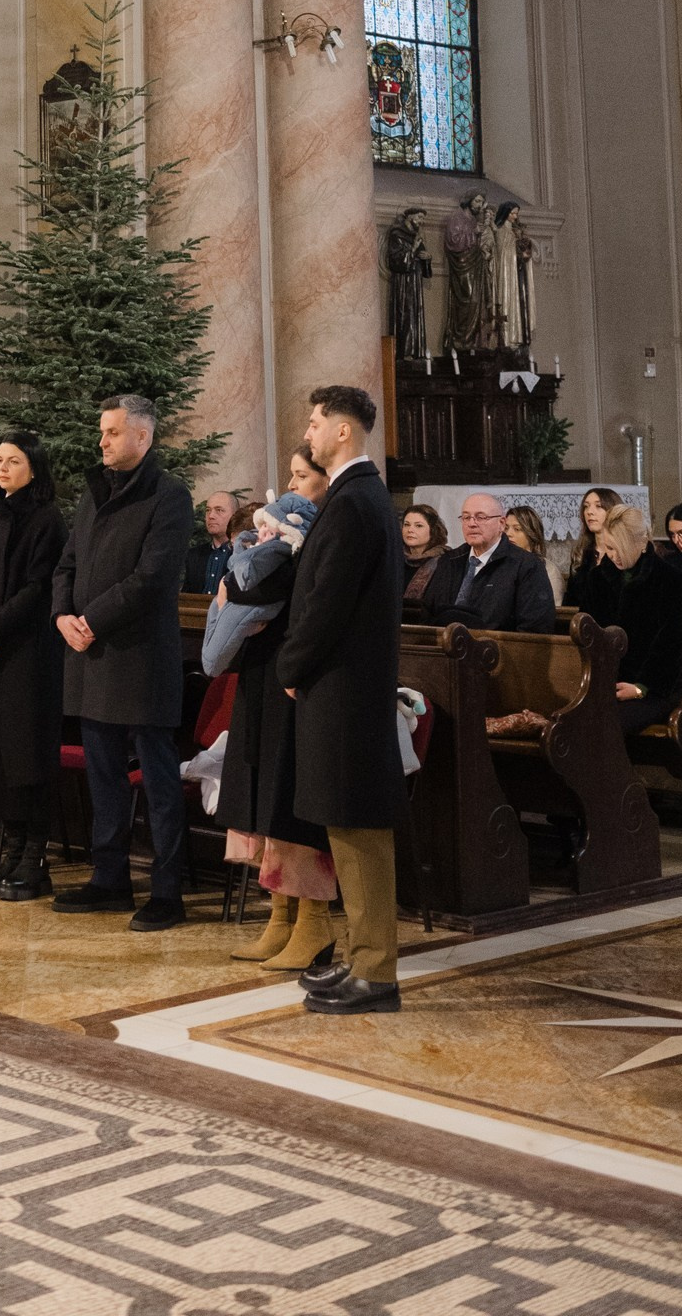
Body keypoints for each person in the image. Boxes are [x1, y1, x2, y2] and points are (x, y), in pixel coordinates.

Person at [276, 385, 407, 1014]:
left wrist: (292, 664)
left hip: (345, 688)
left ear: (343, 432)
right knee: (346, 824)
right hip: (342, 686)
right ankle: (360, 957)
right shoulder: (357, 496)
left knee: (359, 830)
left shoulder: (355, 502)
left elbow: (326, 601)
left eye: (315, 422)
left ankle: (376, 971)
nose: (309, 430)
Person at [51, 393, 194, 932]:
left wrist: (91, 620)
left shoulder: (170, 495)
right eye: (102, 431)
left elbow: (153, 576)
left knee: (157, 782)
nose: (103, 441)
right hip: (91, 656)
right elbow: (66, 563)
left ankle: (167, 890)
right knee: (104, 776)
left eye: (112, 432)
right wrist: (63, 614)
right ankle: (108, 879)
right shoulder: (94, 493)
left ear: (142, 436)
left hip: (139, 658)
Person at [216, 449, 337, 973]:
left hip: (295, 679)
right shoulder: (279, 535)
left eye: (302, 476)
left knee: (290, 797)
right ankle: (279, 917)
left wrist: (240, 584)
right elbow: (240, 586)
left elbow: (260, 588)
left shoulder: (320, 538)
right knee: (263, 791)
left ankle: (314, 924)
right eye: (289, 473)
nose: (290, 484)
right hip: (262, 673)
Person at [0, 431, 67, 901]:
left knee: (26, 755)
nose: (3, 469)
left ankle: (34, 856)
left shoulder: (47, 520)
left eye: (14, 461)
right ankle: (10, 847)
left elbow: (37, 587)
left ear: (34, 467)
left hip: (26, 655)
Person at [202, 494, 319, 678]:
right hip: (255, 657)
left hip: (272, 654)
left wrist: (225, 586)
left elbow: (249, 587)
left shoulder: (282, 560)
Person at [598, 504, 682, 734]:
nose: (613, 555)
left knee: (606, 725)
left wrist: (641, 687)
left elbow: (672, 643)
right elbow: (589, 631)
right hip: (606, 683)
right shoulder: (598, 577)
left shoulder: (670, 580)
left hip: (656, 687)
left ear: (641, 543)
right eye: (609, 547)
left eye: (620, 548)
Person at [418, 493, 557, 632]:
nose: (472, 524)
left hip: (498, 650)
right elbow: (427, 614)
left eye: (480, 517)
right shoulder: (449, 561)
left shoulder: (526, 565)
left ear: (501, 524)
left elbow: (534, 627)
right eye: (466, 517)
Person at [565, 486, 623, 618]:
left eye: (598, 506)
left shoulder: (625, 553)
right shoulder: (581, 553)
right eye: (586, 506)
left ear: (613, 510)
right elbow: (571, 597)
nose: (589, 512)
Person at [505, 503, 565, 605]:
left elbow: (554, 613)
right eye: (506, 528)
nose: (508, 534)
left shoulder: (549, 571)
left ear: (531, 534)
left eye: (517, 529)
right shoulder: (499, 564)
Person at [183, 489, 239, 596]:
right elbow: (187, 597)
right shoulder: (194, 555)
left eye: (219, 510)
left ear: (234, 515)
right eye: (208, 510)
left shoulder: (243, 555)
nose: (211, 516)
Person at [400, 504, 448, 616]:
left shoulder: (445, 561)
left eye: (418, 526)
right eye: (406, 525)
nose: (410, 530)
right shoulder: (396, 558)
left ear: (433, 530)